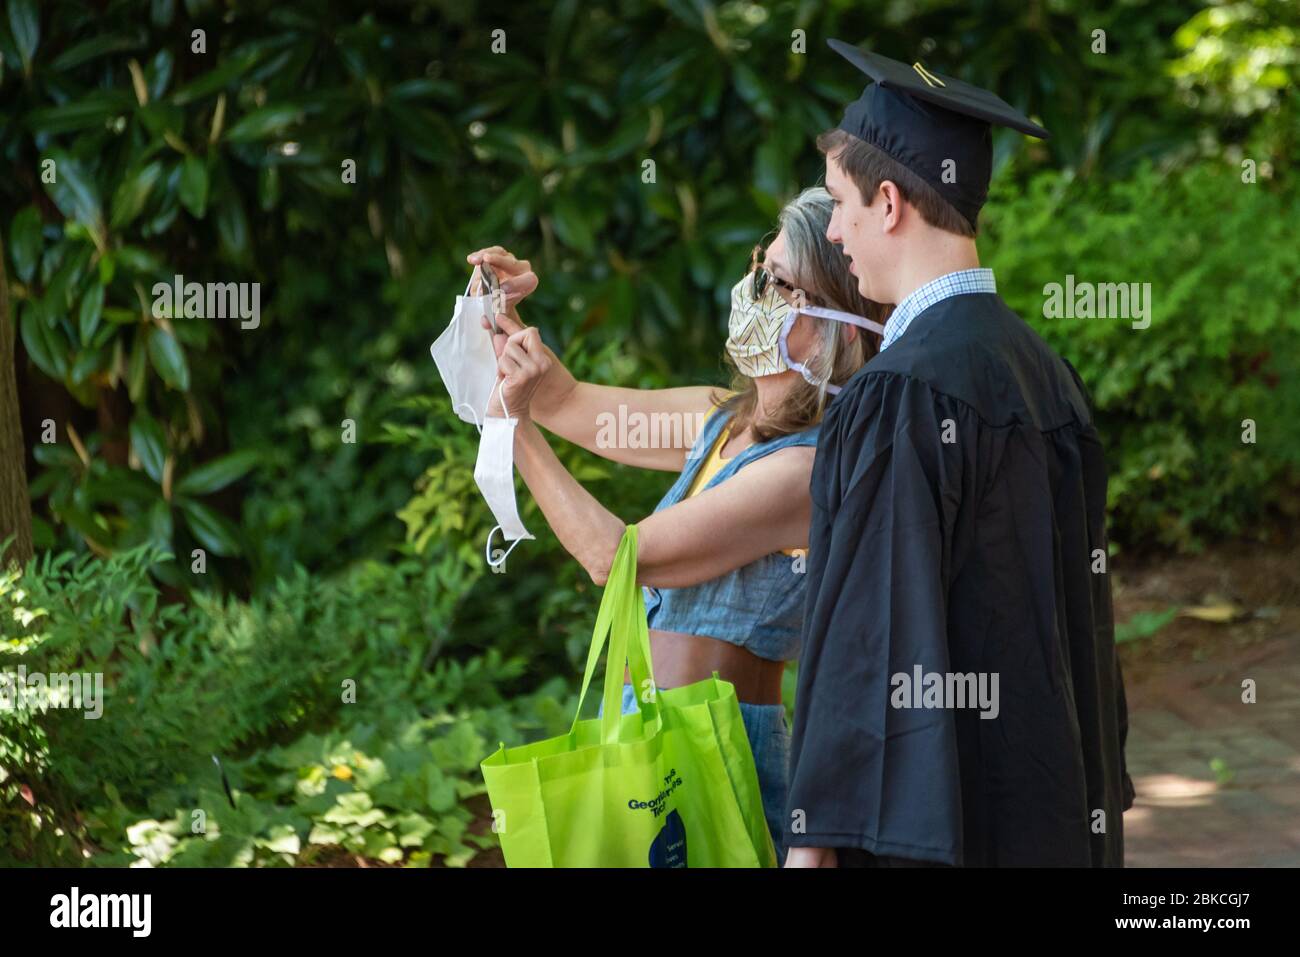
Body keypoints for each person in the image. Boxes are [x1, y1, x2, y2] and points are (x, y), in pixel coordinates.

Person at [783, 42, 1136, 868]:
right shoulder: (1048, 379)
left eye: (839, 205)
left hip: (936, 833)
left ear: (891, 202)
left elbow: (867, 639)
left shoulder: (900, 394)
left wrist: (812, 846)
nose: (834, 233)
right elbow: (1085, 630)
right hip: (1049, 812)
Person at [464, 187, 888, 863]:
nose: (751, 288)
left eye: (774, 281)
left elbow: (615, 556)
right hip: (650, 741)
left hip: (715, 755)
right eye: (759, 266)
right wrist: (502, 315)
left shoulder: (805, 471)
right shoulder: (724, 419)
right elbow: (565, 401)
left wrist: (509, 430)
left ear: (832, 320)